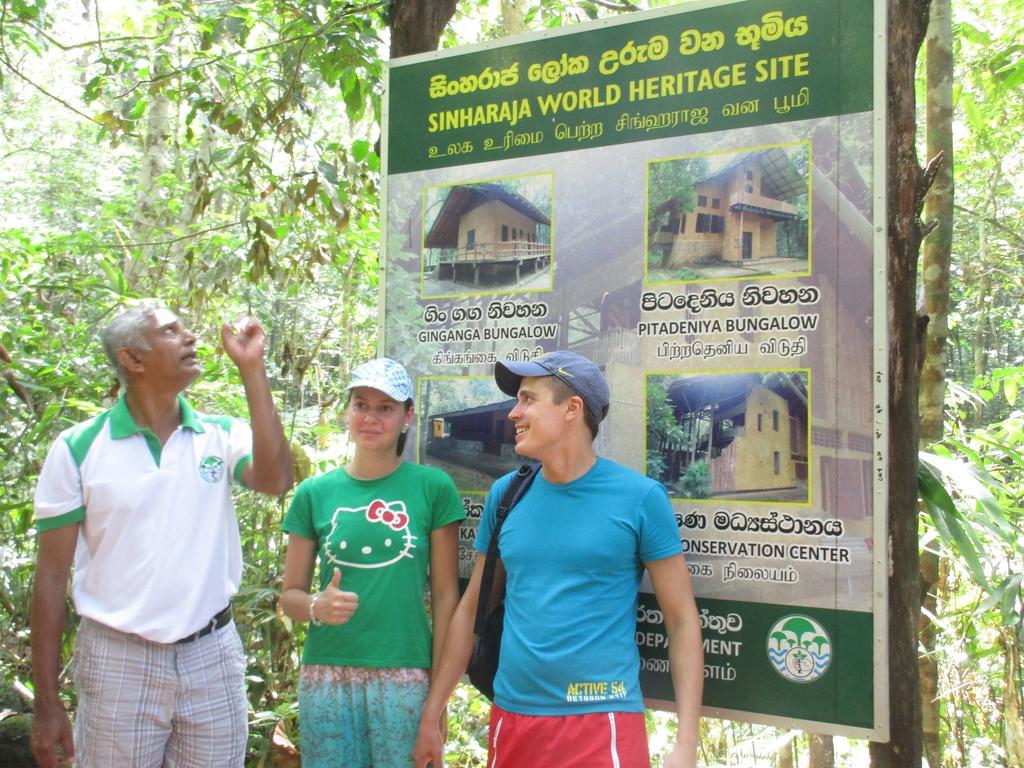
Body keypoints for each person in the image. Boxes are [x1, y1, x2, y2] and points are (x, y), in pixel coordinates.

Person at [30, 301, 294, 768]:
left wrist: (253, 369)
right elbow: (50, 577)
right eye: (173, 331)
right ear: (133, 358)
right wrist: (47, 702)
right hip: (118, 660)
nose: (190, 337)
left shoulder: (219, 434)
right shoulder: (77, 449)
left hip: (211, 654)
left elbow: (275, 481)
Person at [413, 350, 703, 768]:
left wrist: (686, 744)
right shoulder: (506, 497)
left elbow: (681, 620)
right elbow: (471, 610)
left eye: (528, 399)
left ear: (572, 409)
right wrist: (433, 711)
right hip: (512, 718)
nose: (514, 412)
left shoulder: (639, 498)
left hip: (602, 721)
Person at [278, 357, 465, 768]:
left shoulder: (433, 488)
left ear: (407, 417)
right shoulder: (314, 493)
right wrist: (316, 606)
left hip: (405, 675)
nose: (371, 417)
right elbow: (288, 596)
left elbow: (448, 596)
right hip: (326, 674)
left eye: (386, 408)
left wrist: (437, 700)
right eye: (361, 404)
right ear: (348, 412)